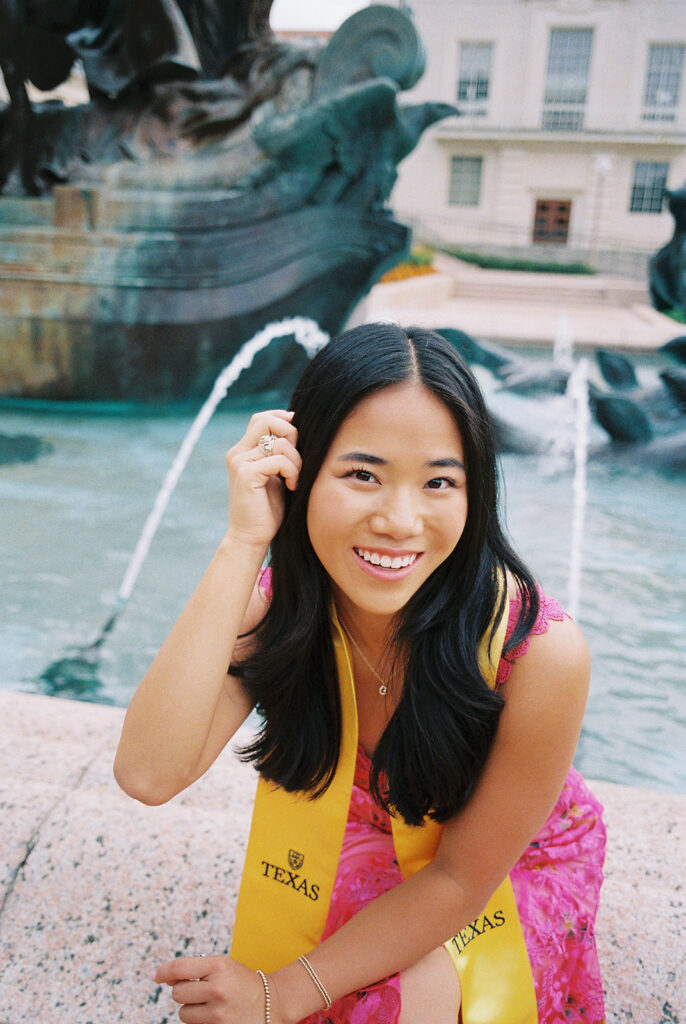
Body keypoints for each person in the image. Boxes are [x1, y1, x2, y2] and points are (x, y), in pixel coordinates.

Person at [113, 323, 606, 1024]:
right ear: (300, 473)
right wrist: (245, 538)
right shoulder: (289, 608)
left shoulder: (539, 654)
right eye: (362, 475)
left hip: (506, 858)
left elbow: (461, 877)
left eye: (439, 481)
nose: (399, 521)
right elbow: (148, 772)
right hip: (369, 825)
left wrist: (280, 992)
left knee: (417, 994)